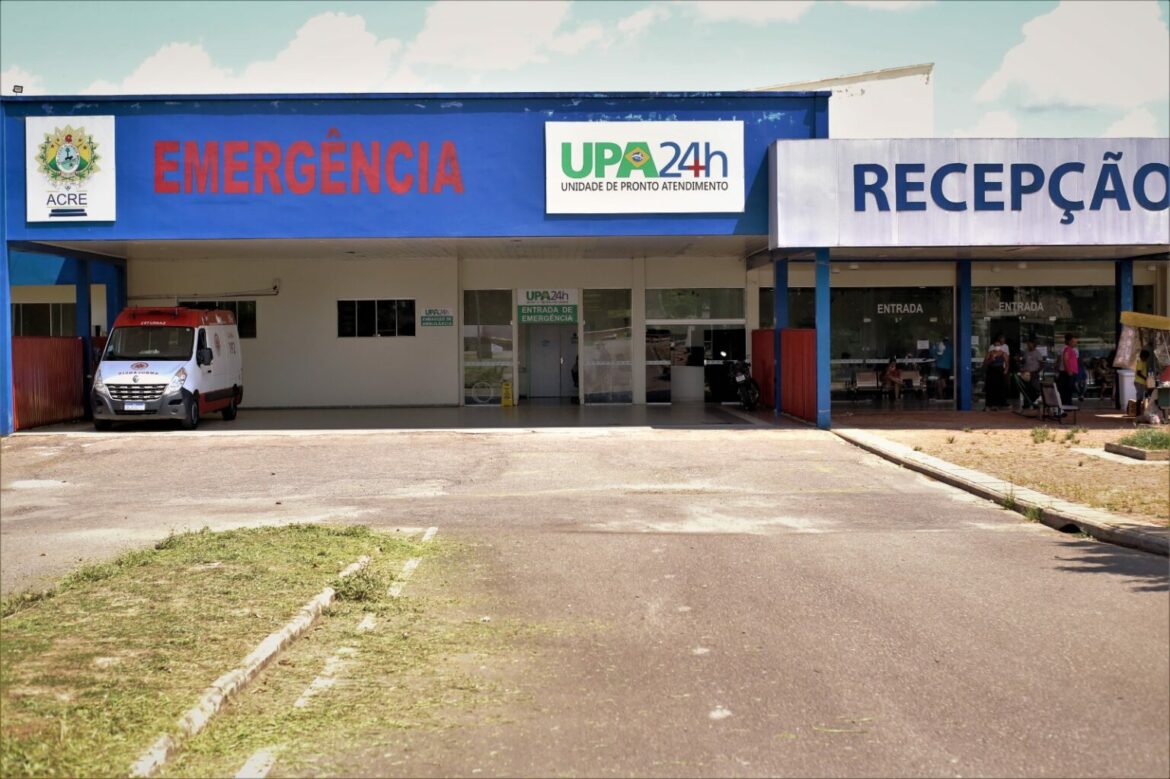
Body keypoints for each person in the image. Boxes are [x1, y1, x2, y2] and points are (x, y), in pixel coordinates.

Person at [983, 333, 1010, 410]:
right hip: (991, 371)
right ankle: (989, 405)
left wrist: (1006, 370)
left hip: (999, 370)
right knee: (990, 388)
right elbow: (985, 362)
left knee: (998, 388)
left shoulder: (1003, 353)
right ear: (993, 345)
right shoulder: (990, 353)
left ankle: (996, 405)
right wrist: (991, 360)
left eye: (998, 345)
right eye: (996, 345)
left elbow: (1007, 363)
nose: (997, 347)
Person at [1056, 334, 1079, 405]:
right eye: (1073, 342)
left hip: (1070, 371)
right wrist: (1069, 370)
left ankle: (1067, 403)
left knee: (1068, 388)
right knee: (1066, 388)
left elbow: (1074, 360)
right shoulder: (1066, 349)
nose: (1075, 343)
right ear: (1069, 341)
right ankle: (1066, 403)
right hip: (1066, 371)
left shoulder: (1073, 349)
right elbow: (1064, 360)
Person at [1019, 338, 1043, 407]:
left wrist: (1036, 372)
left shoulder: (1037, 353)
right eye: (1027, 344)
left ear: (1033, 344)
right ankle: (1026, 403)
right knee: (1026, 389)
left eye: (1030, 344)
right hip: (1026, 374)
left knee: (1035, 389)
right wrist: (1020, 361)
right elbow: (1023, 361)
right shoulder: (1026, 352)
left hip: (1034, 374)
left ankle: (1035, 402)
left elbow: (1041, 365)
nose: (1028, 345)